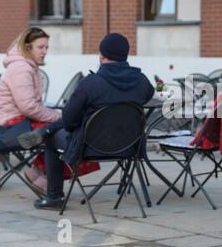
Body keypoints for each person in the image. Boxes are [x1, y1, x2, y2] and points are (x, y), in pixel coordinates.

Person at [17, 33, 155, 210]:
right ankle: (46, 132)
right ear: (125, 56)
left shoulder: (91, 83)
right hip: (129, 147)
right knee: (85, 118)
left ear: (102, 55)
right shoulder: (142, 81)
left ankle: (54, 197)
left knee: (52, 140)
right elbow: (148, 96)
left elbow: (68, 119)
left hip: (91, 146)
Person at [0, 27, 61, 193]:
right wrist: (57, 116)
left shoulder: (27, 66)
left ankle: (39, 173)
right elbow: (29, 107)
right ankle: (46, 179)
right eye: (40, 47)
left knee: (62, 133)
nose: (45, 51)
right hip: (13, 129)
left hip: (21, 124)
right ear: (27, 47)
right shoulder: (21, 68)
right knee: (64, 134)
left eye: (46, 47)